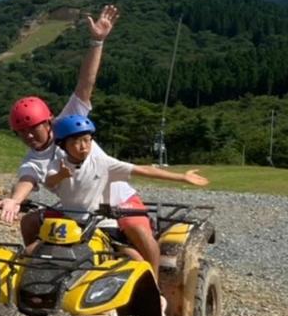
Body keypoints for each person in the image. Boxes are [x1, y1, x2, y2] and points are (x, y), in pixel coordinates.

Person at [0, 4, 120, 242]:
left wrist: (97, 42)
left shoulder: (69, 122)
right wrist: (15, 200)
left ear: (49, 122)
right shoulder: (33, 159)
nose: (29, 136)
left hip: (110, 207)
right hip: (75, 211)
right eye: (22, 132)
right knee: (31, 223)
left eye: (34, 128)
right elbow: (27, 180)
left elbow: (85, 84)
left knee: (131, 248)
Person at [43, 114, 208, 269]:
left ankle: (153, 288)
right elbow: (49, 181)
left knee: (135, 258)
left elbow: (142, 170)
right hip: (69, 224)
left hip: (99, 223)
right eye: (75, 142)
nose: (83, 147)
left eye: (87, 140)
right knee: (34, 253)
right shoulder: (58, 164)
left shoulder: (102, 162)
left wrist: (181, 177)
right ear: (62, 145)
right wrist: (60, 175)